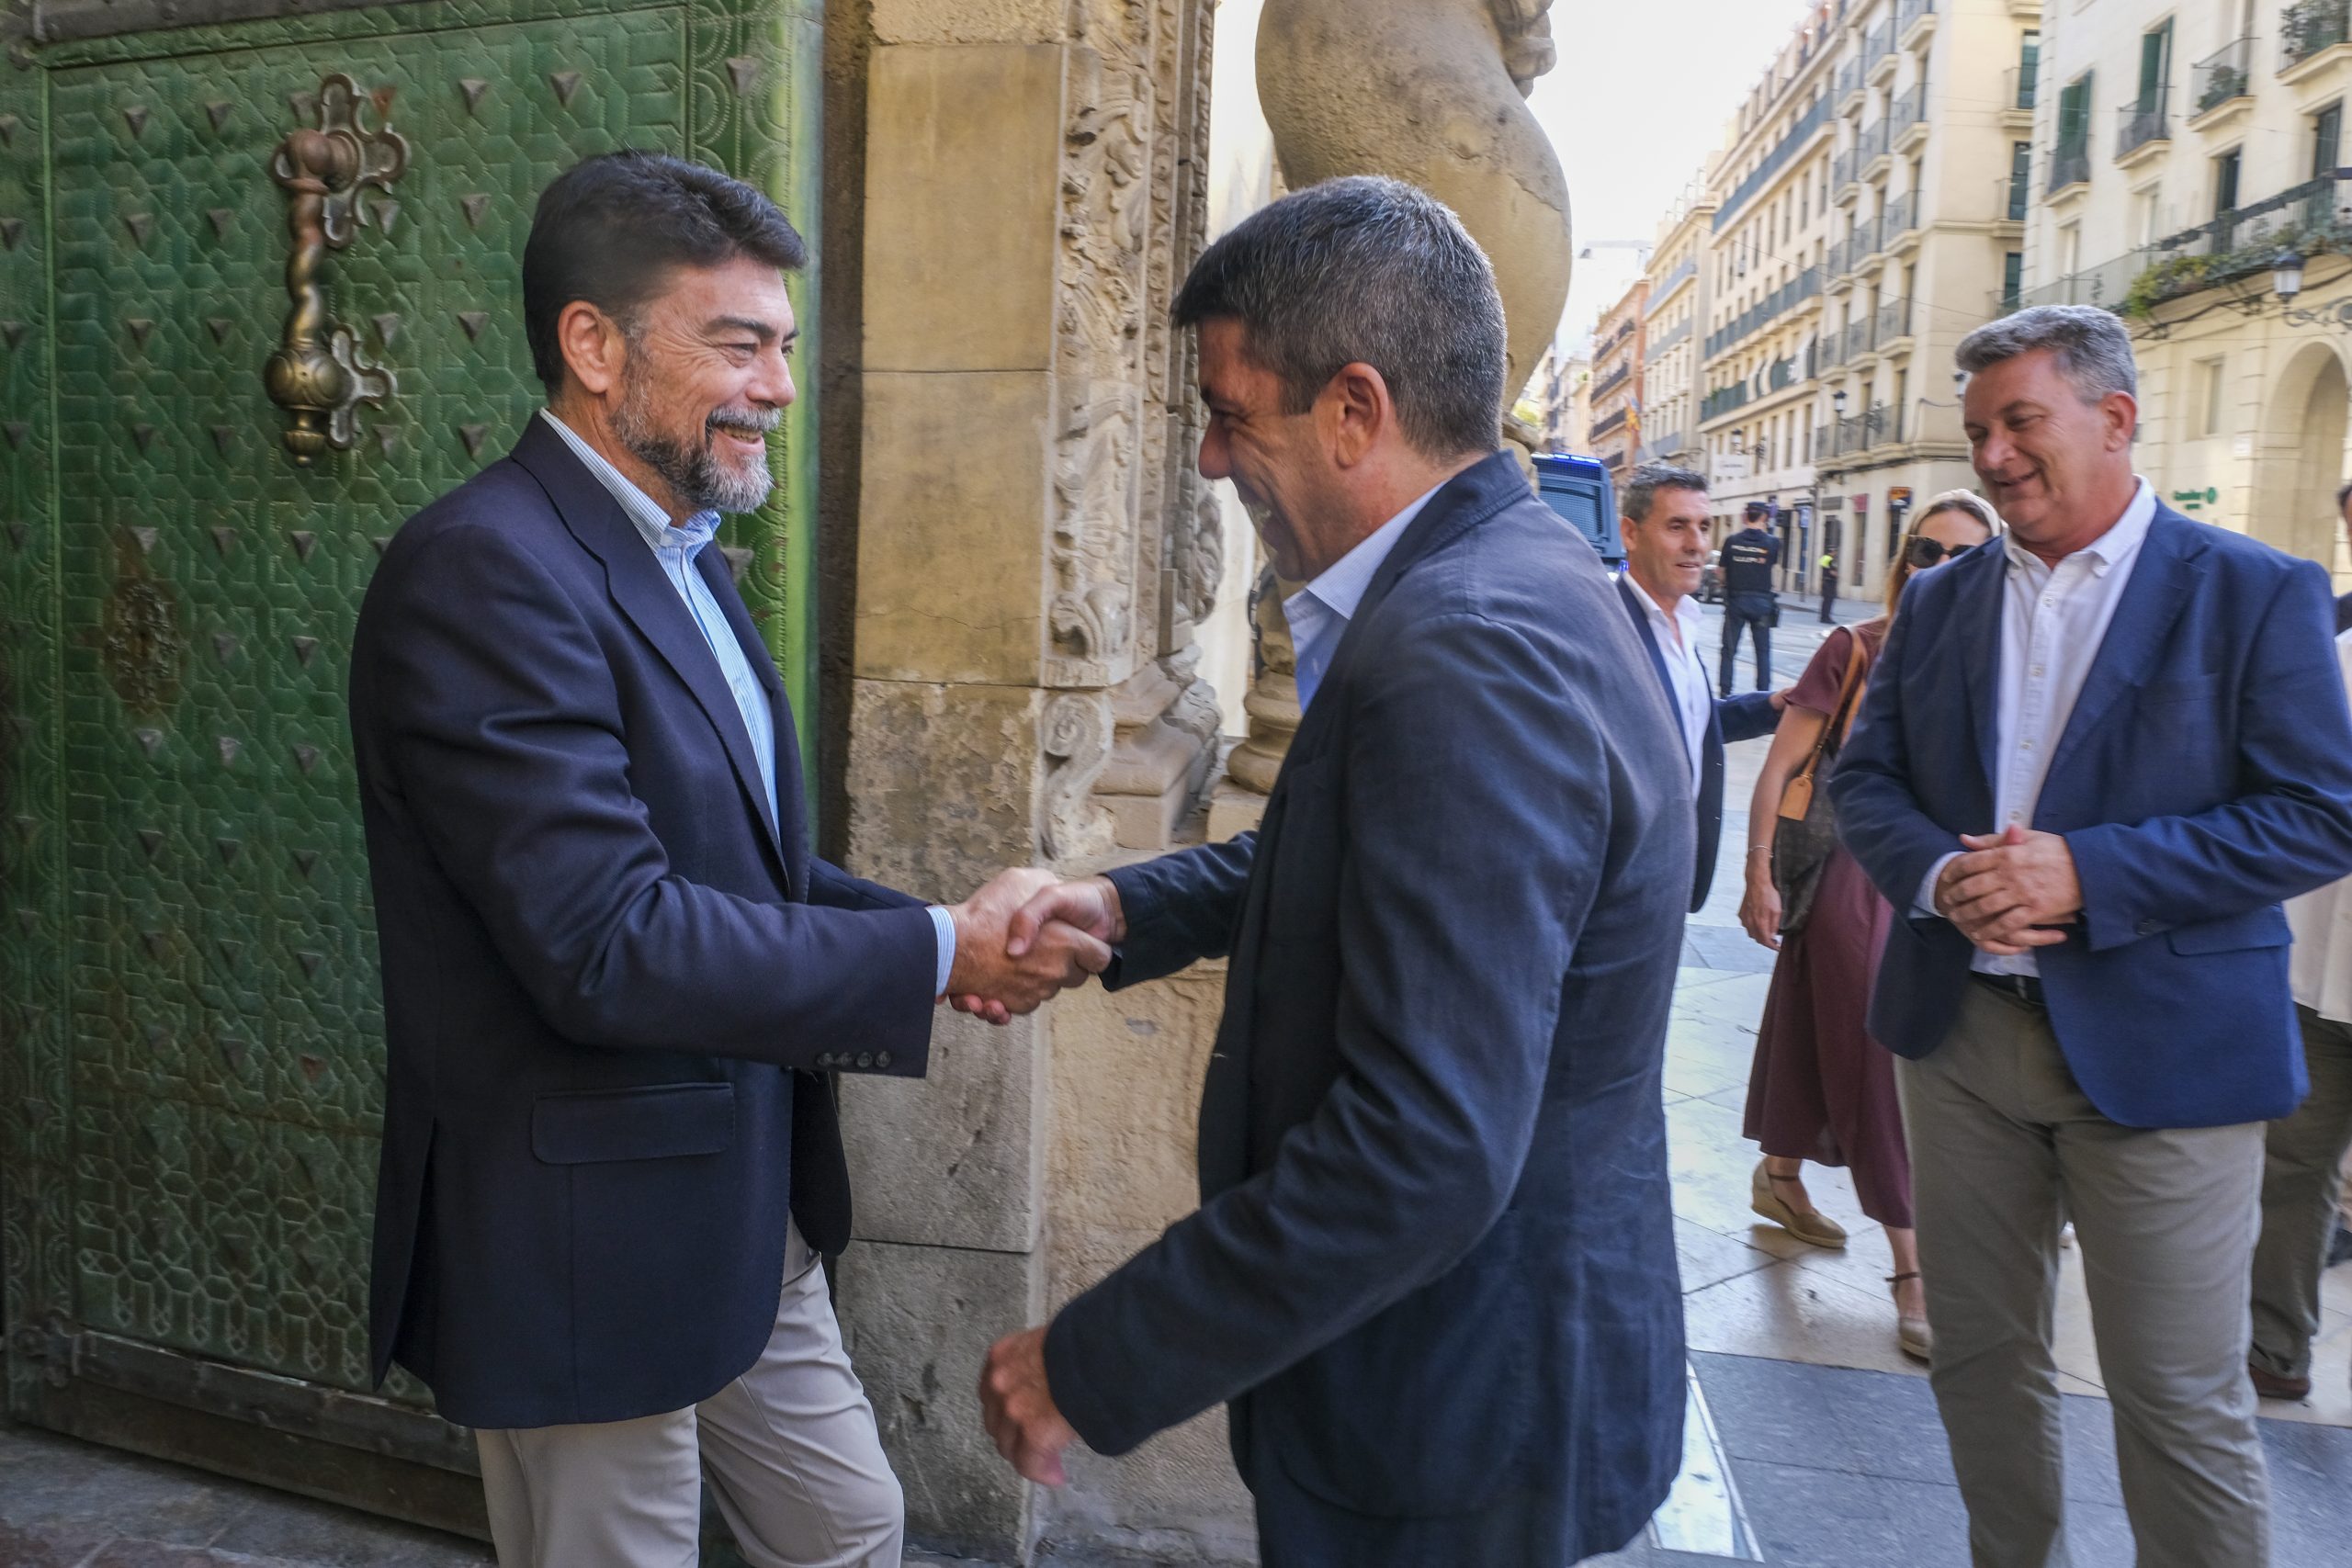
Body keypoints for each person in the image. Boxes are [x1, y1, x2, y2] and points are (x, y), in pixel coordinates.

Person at [347, 152, 1105, 1568]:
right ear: (594, 344)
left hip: (743, 1205)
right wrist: (935, 948)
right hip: (581, 1232)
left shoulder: (684, 550)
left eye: (786, 346)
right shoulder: (481, 570)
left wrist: (944, 939)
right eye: (740, 344)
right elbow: (608, 939)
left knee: (849, 1524)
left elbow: (743, 869)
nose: (780, 386)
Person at [968, 176, 1694, 1566]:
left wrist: (1097, 1359)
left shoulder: (1465, 645)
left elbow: (1424, 1146)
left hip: (1453, 1421)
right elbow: (1386, 860)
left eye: (1231, 414)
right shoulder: (1521, 573)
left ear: (1356, 409)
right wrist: (1119, 906)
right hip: (1478, 1392)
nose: (1208, 461)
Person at [1831, 304, 2352, 1568]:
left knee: (2176, 1397)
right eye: (1977, 432)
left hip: (2169, 1055)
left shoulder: (2252, 590)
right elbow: (1868, 779)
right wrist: (1939, 875)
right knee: (1980, 1358)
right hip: (1958, 1039)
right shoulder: (1940, 600)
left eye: (2020, 422)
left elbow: (2321, 812)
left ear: (2116, 419)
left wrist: (2091, 872)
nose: (1992, 456)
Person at [1738, 491, 1999, 1362]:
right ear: (1903, 558)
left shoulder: (2000, 658)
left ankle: (1781, 1176)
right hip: (1850, 868)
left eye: (1964, 555)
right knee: (1878, 1055)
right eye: (1926, 549)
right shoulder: (1856, 646)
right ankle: (1912, 1267)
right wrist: (1756, 874)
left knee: (1814, 1024)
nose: (1940, 568)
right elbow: (1780, 766)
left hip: (1946, 878)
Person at [2248, 620, 2352, 1403]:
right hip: (2319, 969)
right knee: (2291, 1164)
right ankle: (2275, 1348)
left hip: (2320, 964)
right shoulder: (2334, 656)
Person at [1614, 463, 1782, 912]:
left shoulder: (1684, 621)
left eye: (1704, 527)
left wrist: (1770, 707)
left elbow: (1686, 719)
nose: (1696, 544)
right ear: (1630, 533)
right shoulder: (1606, 624)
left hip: (1673, 874)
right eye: (1677, 526)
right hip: (1624, 883)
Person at [1719, 501, 1781, 694]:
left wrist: (1728, 584)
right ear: (1765, 517)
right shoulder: (1773, 543)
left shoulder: (1731, 541)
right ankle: (1763, 693)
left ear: (1745, 516)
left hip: (1736, 601)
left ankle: (1725, 692)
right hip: (1762, 603)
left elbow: (1721, 571)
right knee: (1762, 652)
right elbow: (1774, 569)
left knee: (1729, 650)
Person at [1818, 550, 1839, 621]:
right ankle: (1826, 617)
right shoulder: (1831, 560)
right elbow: (1832, 572)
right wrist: (1837, 576)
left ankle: (1823, 617)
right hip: (1830, 583)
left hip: (1825, 581)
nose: (1835, 553)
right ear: (1832, 552)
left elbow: (1824, 569)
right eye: (1835, 552)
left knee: (1825, 601)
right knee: (1829, 601)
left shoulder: (1824, 558)